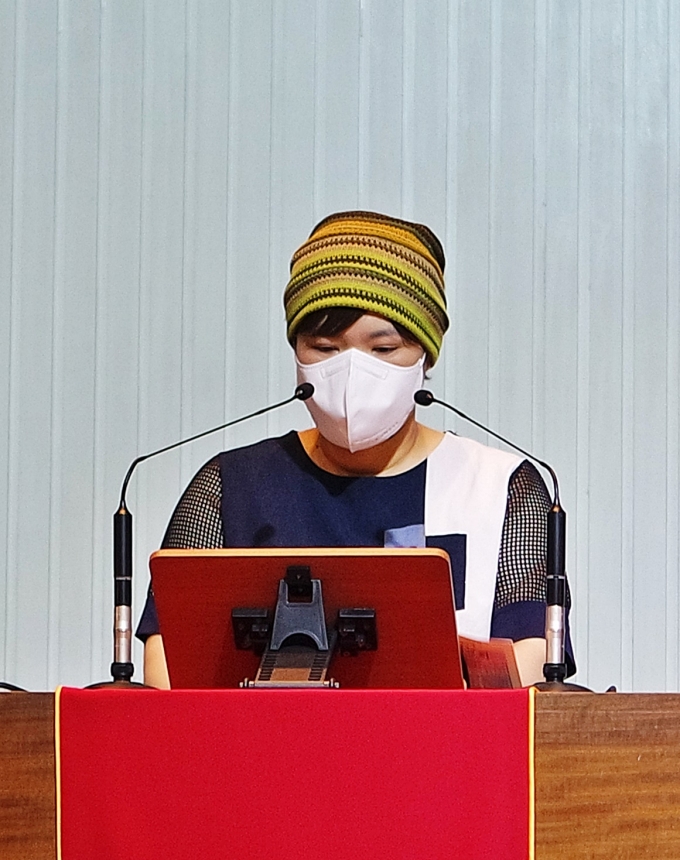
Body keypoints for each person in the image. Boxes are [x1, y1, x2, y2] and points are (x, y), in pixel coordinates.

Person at [138, 210, 574, 689]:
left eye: (383, 350)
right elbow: (168, 666)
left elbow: (532, 665)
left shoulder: (499, 488)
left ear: (425, 357)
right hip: (250, 739)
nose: (352, 373)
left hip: (443, 740)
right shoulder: (230, 487)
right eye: (325, 348)